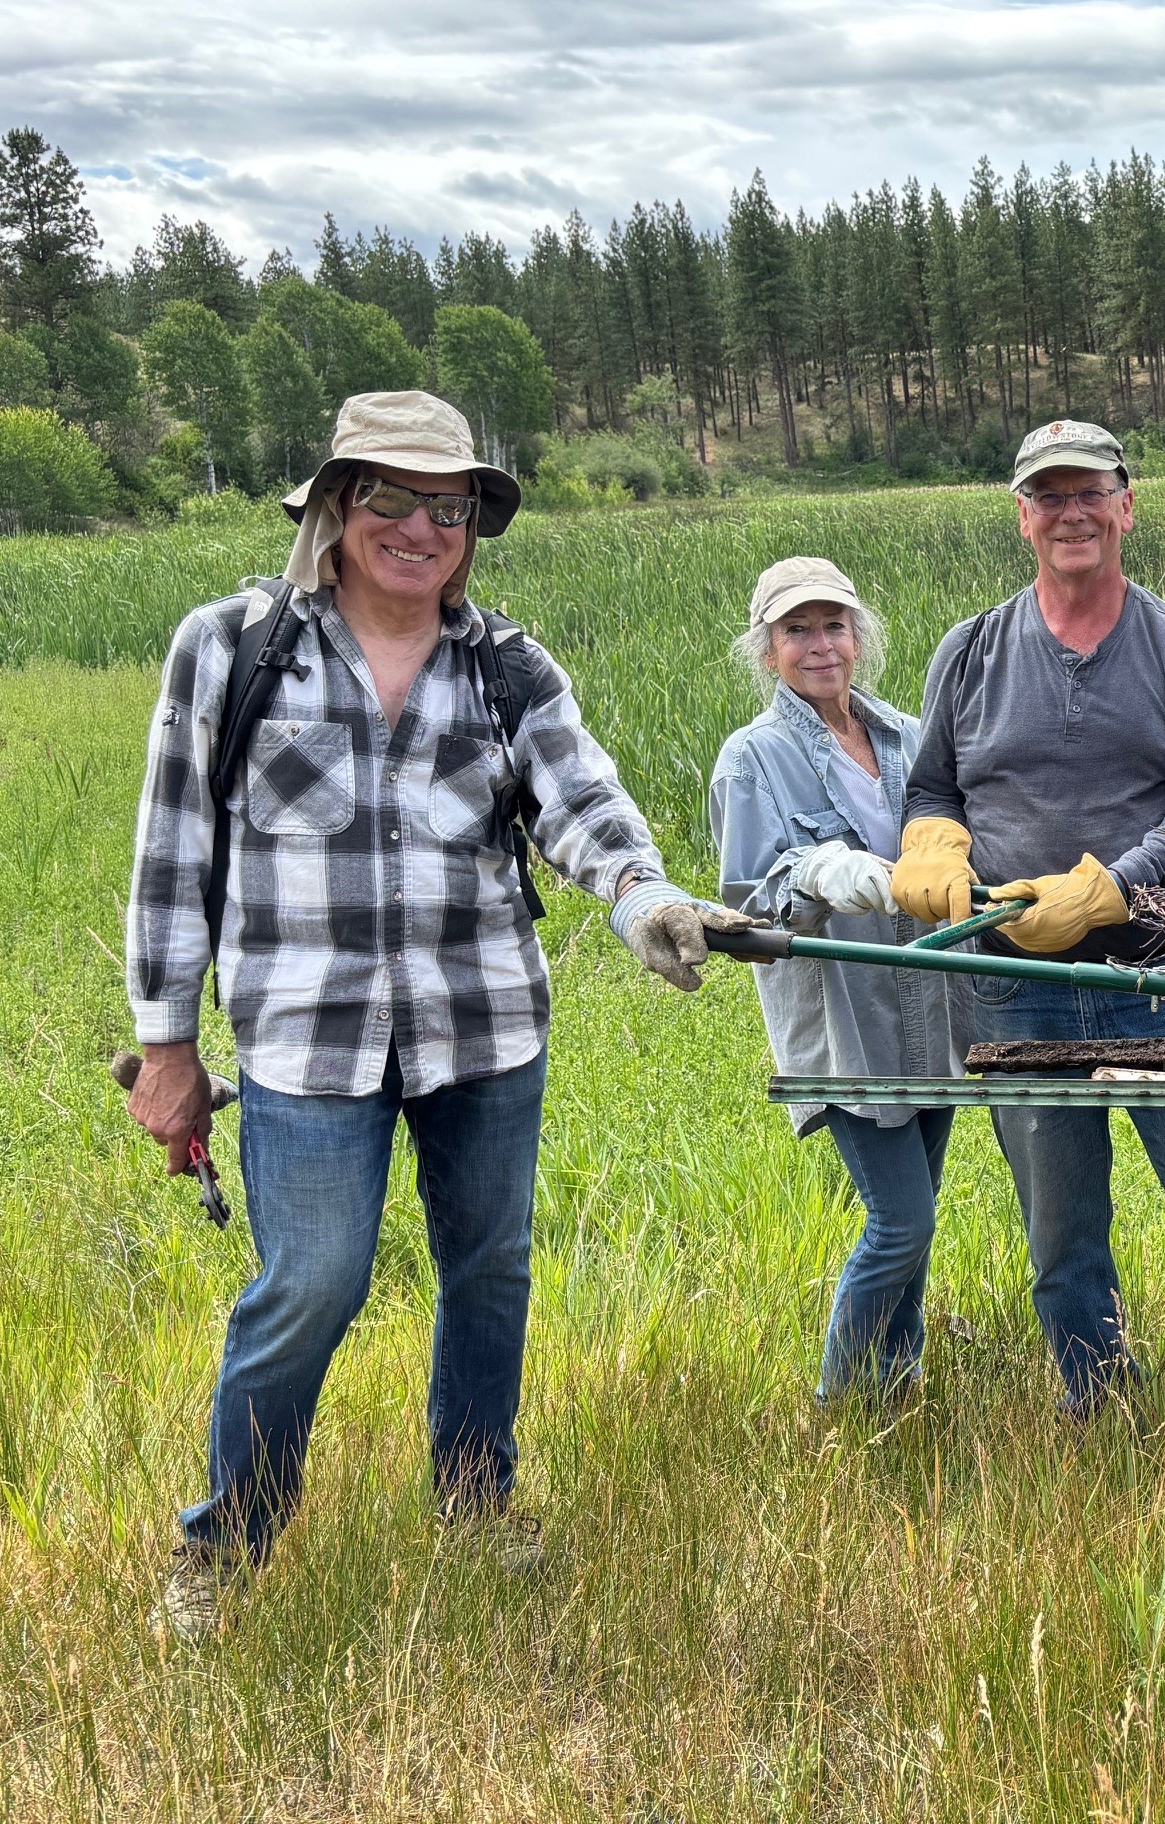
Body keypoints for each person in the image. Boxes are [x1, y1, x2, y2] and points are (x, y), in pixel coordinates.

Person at [123, 389, 742, 1642]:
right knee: (311, 1281)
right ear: (339, 507)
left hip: (485, 1027)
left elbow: (586, 808)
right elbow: (172, 846)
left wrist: (646, 897)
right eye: (391, 498)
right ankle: (226, 1546)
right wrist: (170, 1043)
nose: (419, 527)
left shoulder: (509, 667)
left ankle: (477, 1504)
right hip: (303, 1037)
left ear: (472, 524)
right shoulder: (233, 648)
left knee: (490, 1273)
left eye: (446, 506)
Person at [897, 419, 1165, 1416]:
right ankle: (1103, 1406)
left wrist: (1107, 889)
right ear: (1022, 517)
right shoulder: (971, 649)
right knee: (1059, 1229)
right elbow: (932, 790)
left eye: (1091, 492)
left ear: (1127, 506)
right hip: (1015, 988)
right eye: (1049, 495)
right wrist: (933, 845)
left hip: (1163, 978)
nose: (1071, 511)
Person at [710, 557, 956, 1409]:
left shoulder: (908, 735)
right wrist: (825, 873)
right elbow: (746, 897)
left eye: (833, 625)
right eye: (797, 630)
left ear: (859, 635)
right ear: (767, 649)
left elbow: (955, 832)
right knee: (902, 1223)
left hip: (932, 1009)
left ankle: (899, 1389)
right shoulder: (753, 758)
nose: (820, 645)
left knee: (916, 1225)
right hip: (846, 1021)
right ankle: (839, 1405)